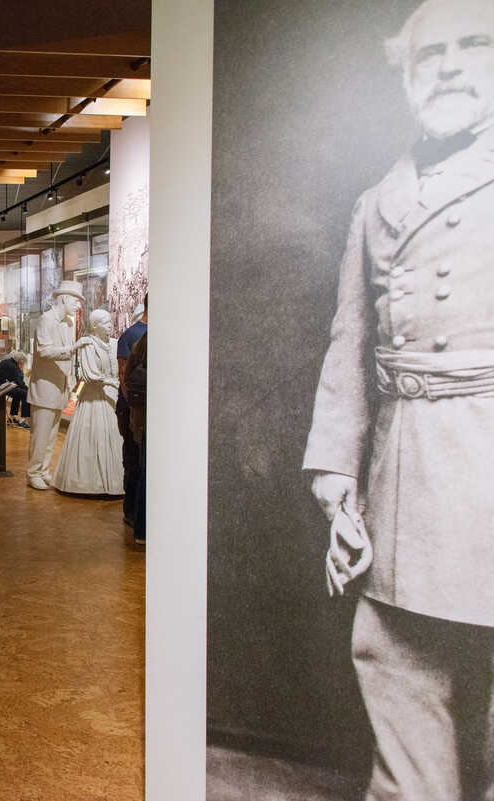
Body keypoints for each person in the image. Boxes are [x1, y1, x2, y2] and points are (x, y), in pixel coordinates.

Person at [303, 2, 494, 797]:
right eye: (429, 56)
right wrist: (336, 478)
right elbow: (350, 345)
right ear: (405, 78)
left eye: (474, 46)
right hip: (403, 478)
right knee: (396, 667)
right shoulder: (379, 202)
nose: (449, 67)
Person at [26, 280, 92, 490]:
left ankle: (43, 470)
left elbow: (67, 356)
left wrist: (71, 382)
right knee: (41, 435)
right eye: (76, 301)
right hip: (45, 388)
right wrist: (73, 348)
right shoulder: (46, 320)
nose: (79, 306)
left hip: (60, 387)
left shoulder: (68, 323)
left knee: (52, 435)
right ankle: (33, 471)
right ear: (64, 299)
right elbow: (44, 351)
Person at [52, 310, 124, 495]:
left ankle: (114, 481)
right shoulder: (87, 345)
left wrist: (113, 382)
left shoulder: (114, 344)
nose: (110, 325)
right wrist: (111, 382)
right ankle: (87, 483)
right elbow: (90, 375)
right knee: (91, 436)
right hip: (93, 397)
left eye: (110, 321)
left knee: (112, 436)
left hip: (110, 398)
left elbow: (116, 370)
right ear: (95, 326)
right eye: (105, 322)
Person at [116, 294, 147, 526]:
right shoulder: (131, 335)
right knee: (134, 461)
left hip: (141, 410)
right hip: (136, 411)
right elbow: (124, 376)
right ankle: (132, 513)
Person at [124, 333, 146, 545]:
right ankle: (142, 528)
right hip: (146, 415)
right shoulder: (144, 343)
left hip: (140, 415)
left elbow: (127, 377)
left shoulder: (141, 345)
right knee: (145, 471)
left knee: (143, 469)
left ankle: (140, 528)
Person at [0, 351, 30, 428]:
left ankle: (12, 417)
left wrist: (20, 370)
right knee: (27, 394)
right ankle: (23, 420)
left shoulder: (9, 362)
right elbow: (20, 381)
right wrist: (29, 389)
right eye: (23, 362)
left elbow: (18, 381)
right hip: (1, 388)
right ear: (20, 360)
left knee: (18, 392)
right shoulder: (13, 366)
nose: (24, 364)